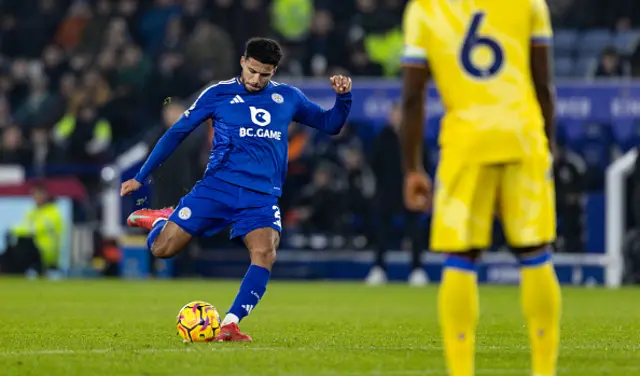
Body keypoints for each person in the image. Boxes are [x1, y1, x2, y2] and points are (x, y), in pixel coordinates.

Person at [120, 37, 352, 342]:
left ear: (274, 71)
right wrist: (141, 176)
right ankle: (164, 220)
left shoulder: (289, 98)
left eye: (265, 74)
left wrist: (343, 99)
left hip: (260, 195)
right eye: (253, 71)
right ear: (243, 61)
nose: (257, 79)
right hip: (218, 188)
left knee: (265, 252)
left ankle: (230, 323)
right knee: (162, 249)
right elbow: (176, 133)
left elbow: (330, 123)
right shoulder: (218, 93)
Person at [400, 1, 560, 376]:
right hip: (523, 135)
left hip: (466, 141)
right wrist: (547, 149)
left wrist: (411, 168)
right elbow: (543, 86)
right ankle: (543, 369)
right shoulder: (530, 3)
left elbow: (412, 96)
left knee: (461, 256)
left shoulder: (425, 8)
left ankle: (461, 371)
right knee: (535, 251)